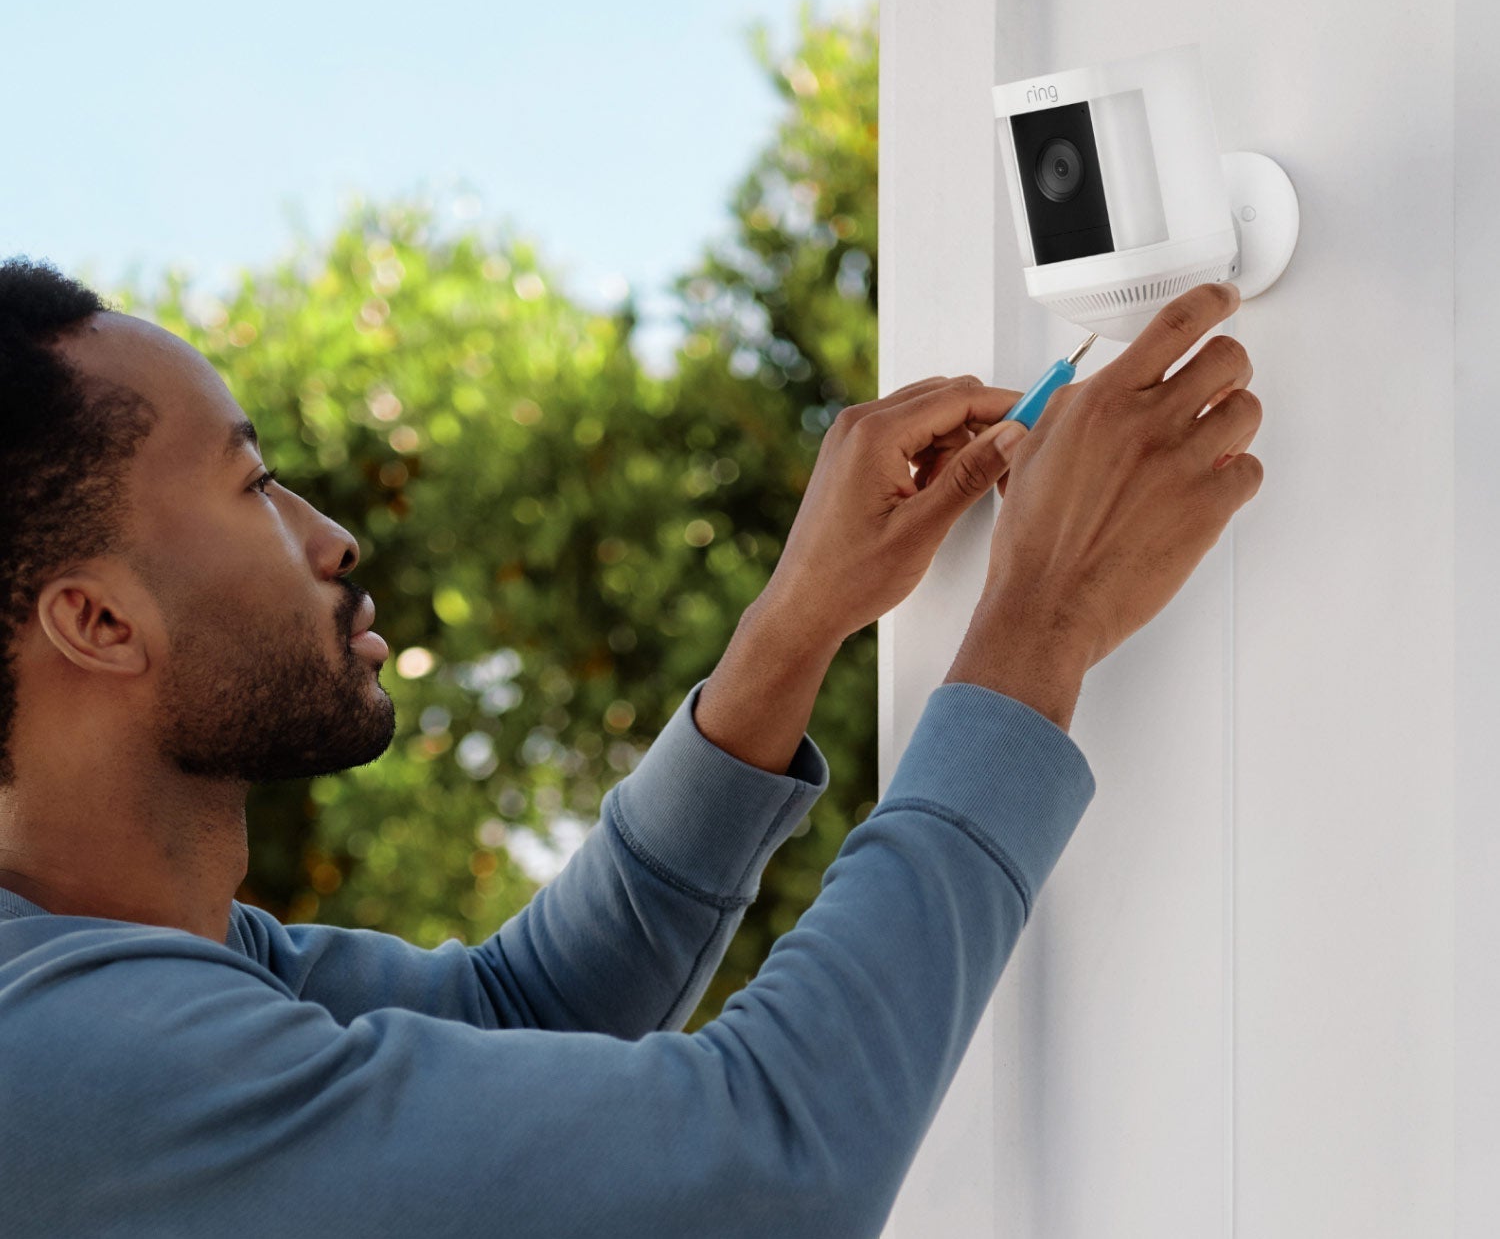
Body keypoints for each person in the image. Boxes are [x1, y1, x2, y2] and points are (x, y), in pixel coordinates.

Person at [0, 257, 1261, 1238]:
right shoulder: (60, 1061)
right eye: (253, 484)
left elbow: (524, 1016)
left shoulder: (147, 957)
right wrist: (1037, 622)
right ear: (98, 622)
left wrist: (795, 622)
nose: (328, 535)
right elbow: (764, 1172)